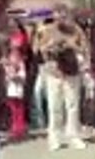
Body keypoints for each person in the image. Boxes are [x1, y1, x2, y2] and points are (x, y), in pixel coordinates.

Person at [36, 9, 89, 150]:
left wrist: (72, 45)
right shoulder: (48, 30)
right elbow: (39, 50)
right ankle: (54, 137)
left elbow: (84, 48)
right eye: (57, 17)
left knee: (72, 105)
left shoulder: (76, 30)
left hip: (72, 71)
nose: (60, 20)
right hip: (54, 73)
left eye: (63, 17)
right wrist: (50, 46)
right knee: (55, 107)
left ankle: (73, 135)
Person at [3, 42, 28, 139]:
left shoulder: (21, 64)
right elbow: (6, 77)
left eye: (16, 54)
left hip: (18, 89)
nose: (14, 56)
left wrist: (16, 76)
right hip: (10, 90)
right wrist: (9, 75)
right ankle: (14, 128)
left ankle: (20, 128)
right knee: (12, 109)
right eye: (12, 54)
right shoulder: (7, 65)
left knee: (19, 109)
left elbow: (23, 76)